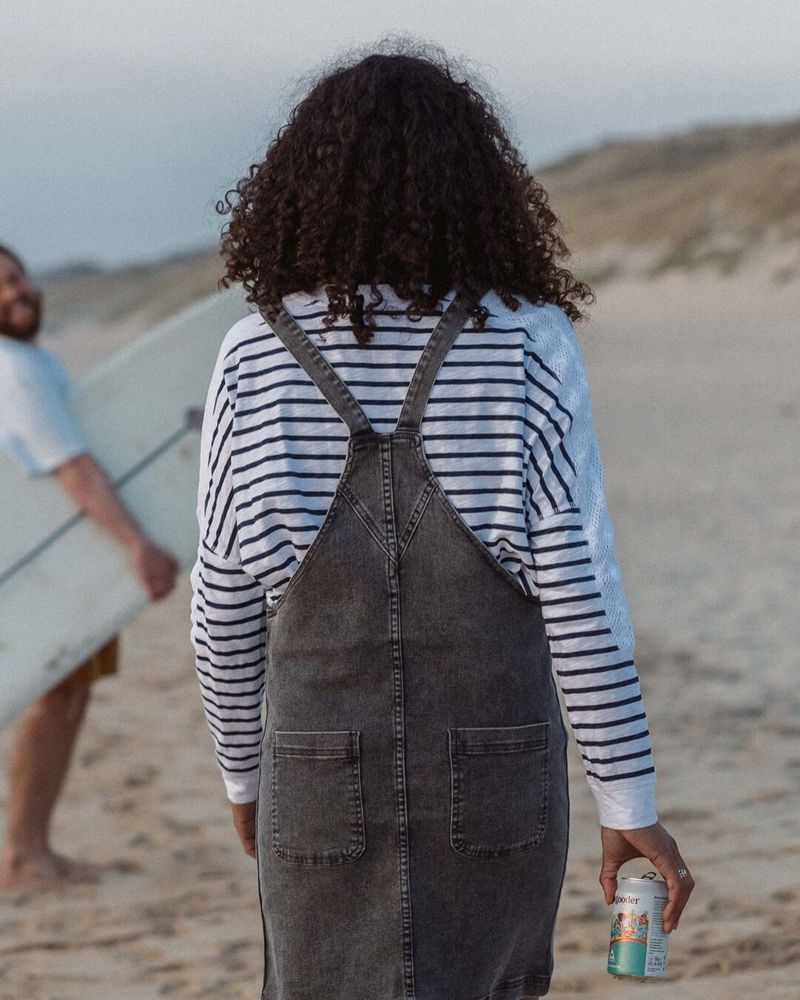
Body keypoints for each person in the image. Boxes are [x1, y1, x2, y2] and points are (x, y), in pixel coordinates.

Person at [189, 39, 695, 1000]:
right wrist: (626, 799)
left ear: (302, 187)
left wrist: (244, 778)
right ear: (479, 187)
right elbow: (581, 597)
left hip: (315, 779)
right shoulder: (527, 342)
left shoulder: (253, 354)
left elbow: (222, 609)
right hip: (499, 778)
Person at [0, 244, 180, 889]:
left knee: (68, 694)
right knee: (57, 695)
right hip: (52, 563)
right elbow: (69, 465)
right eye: (0, 287)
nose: (15, 293)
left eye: (17, 277)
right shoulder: (15, 369)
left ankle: (31, 846)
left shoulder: (32, 360)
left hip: (68, 554)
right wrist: (137, 543)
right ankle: (23, 852)